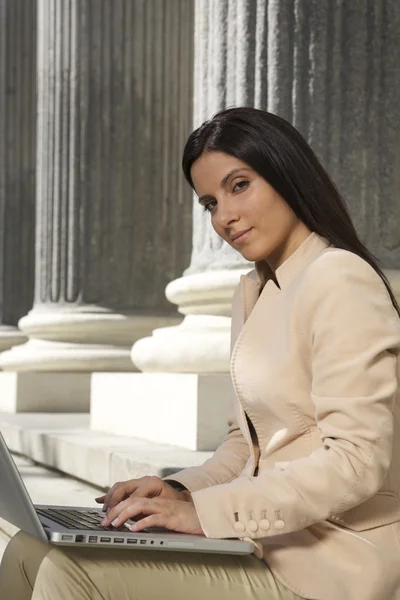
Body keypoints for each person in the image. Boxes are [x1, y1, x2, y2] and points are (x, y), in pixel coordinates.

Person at [1, 106, 400, 600]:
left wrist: (204, 515)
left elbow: (356, 460)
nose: (225, 217)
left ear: (286, 174)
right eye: (209, 202)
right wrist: (180, 492)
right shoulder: (253, 289)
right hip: (266, 539)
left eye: (239, 186)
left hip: (332, 561)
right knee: (28, 548)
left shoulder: (340, 278)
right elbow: (244, 446)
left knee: (65, 570)